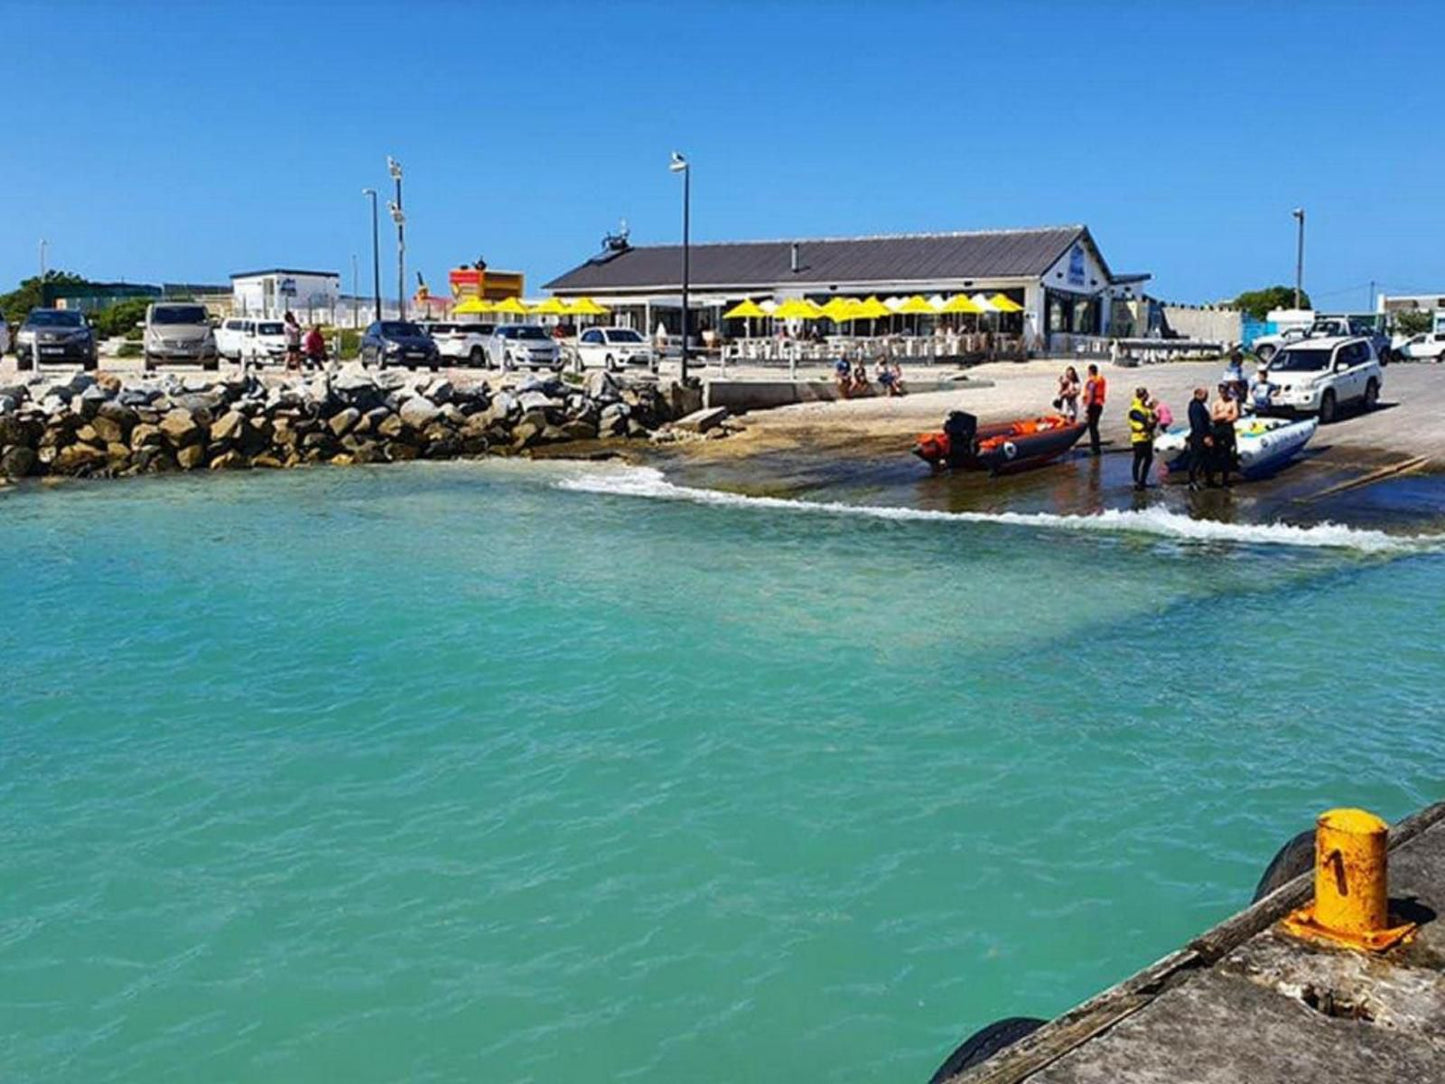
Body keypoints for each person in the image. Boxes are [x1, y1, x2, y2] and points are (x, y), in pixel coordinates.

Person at [1127, 385, 1157, 491]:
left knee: (1148, 459)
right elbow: (1141, 421)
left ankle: (1142, 480)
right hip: (1138, 438)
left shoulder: (1145, 408)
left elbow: (1153, 418)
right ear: (1143, 395)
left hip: (1147, 437)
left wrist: (1153, 414)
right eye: (1146, 394)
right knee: (1138, 459)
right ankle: (1137, 481)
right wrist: (1148, 425)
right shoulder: (1135, 409)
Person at [1210, 382, 1240, 487]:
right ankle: (1212, 478)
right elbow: (1213, 417)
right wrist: (1226, 415)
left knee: (1227, 454)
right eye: (1221, 391)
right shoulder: (1216, 403)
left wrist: (1222, 416)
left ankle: (1225, 480)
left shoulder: (1232, 402)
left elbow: (1235, 416)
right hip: (1218, 430)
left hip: (1228, 430)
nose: (1223, 393)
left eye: (1225, 391)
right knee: (1215, 453)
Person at [1186, 386, 1214, 490]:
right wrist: (1205, 437)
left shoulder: (1199, 405)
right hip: (1199, 437)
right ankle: (1193, 481)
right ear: (1198, 394)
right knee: (1196, 459)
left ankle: (1207, 480)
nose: (1207, 397)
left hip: (1200, 435)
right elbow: (1198, 424)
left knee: (1206, 459)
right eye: (1205, 395)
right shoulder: (1195, 406)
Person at [1082, 363, 1107, 454]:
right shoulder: (1100, 380)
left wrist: (1087, 407)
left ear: (1090, 371)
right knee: (1094, 426)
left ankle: (1095, 448)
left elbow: (1091, 394)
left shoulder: (1092, 382)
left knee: (1092, 427)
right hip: (1099, 405)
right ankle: (1096, 447)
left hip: (1093, 405)